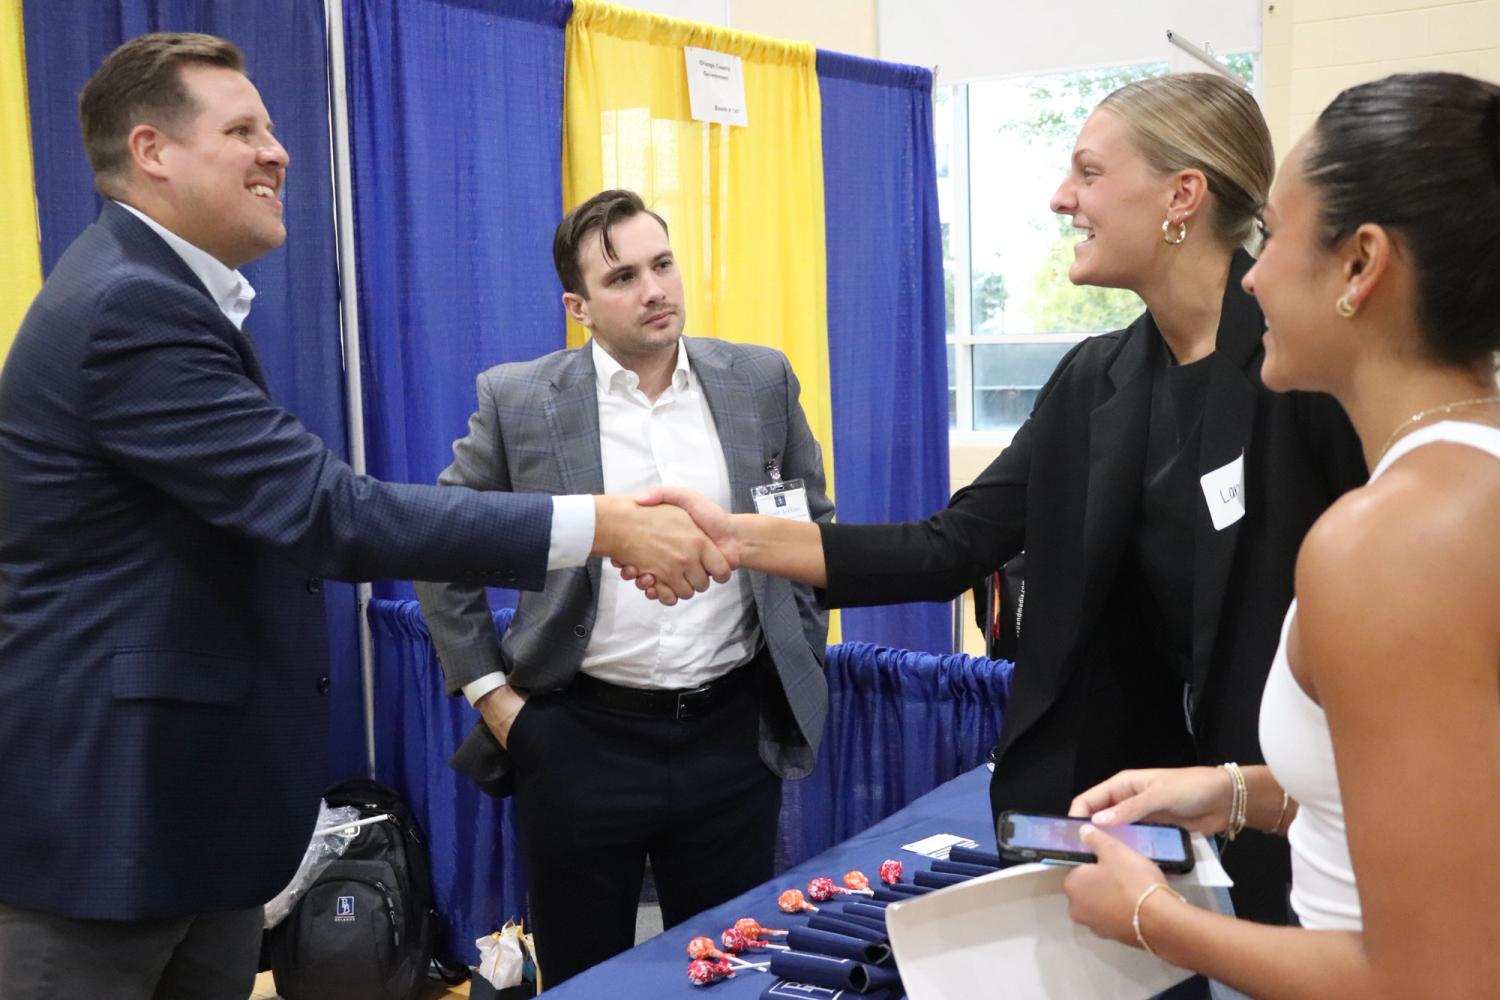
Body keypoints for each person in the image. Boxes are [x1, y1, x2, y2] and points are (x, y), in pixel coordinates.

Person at [0, 34, 724, 1000]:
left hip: (183, 829)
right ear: (152, 151)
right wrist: (602, 525)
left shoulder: (161, 295)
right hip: (107, 830)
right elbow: (326, 512)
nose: (279, 151)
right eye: (243, 128)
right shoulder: (129, 305)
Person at [629, 73, 1367, 926]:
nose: (1062, 199)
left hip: (1296, 829)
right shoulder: (1097, 379)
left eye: (1088, 172)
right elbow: (950, 546)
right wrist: (736, 541)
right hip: (1131, 832)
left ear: (1182, 195)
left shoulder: (1301, 372)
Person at [1057, 70, 1500, 999]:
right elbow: (1443, 806)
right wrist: (1234, 792)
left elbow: (1431, 981)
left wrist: (1154, 920)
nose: (1252, 272)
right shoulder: (1470, 472)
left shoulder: (1390, 541)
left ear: (1359, 264)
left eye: (1274, 234)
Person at [415, 188, 832, 986]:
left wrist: (795, 650)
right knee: (587, 979)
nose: (655, 290)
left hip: (730, 736)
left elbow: (809, 523)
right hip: (578, 738)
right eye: (623, 278)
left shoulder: (759, 380)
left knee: (731, 971)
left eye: (663, 264)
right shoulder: (519, 400)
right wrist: (497, 701)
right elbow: (441, 542)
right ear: (578, 305)